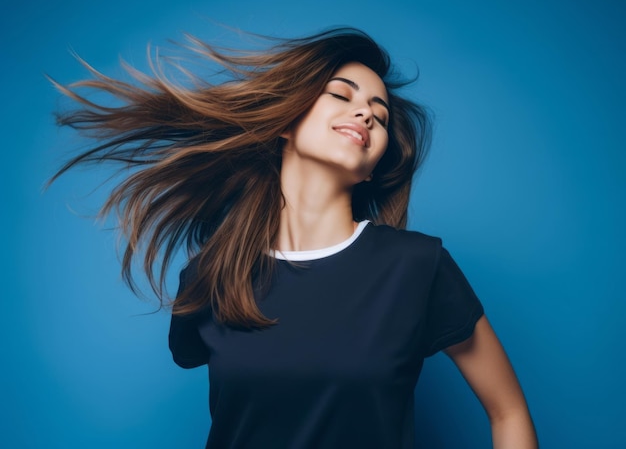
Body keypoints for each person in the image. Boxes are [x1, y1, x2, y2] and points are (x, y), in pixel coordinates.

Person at [50, 27, 537, 448]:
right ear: (286, 121)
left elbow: (507, 412)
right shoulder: (210, 276)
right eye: (342, 95)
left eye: (380, 115)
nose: (366, 115)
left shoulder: (417, 266)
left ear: (373, 170)